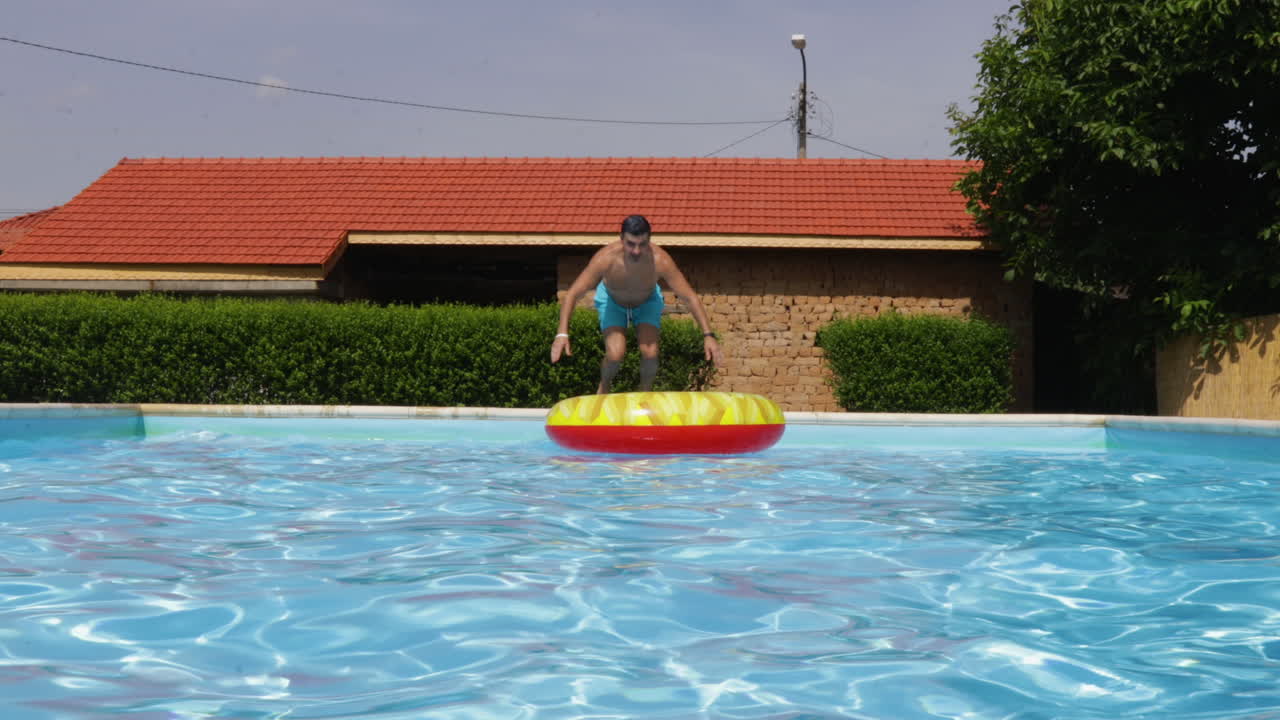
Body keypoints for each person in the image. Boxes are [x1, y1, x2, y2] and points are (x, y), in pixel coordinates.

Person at [550, 214, 723, 394]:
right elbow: (572, 294)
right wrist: (562, 334)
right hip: (612, 300)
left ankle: (645, 393)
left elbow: (689, 297)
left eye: (642, 244)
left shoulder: (660, 260)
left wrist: (708, 335)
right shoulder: (605, 259)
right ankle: (604, 387)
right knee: (615, 354)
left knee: (650, 352)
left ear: (649, 239)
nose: (636, 251)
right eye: (631, 244)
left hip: (647, 301)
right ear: (621, 238)